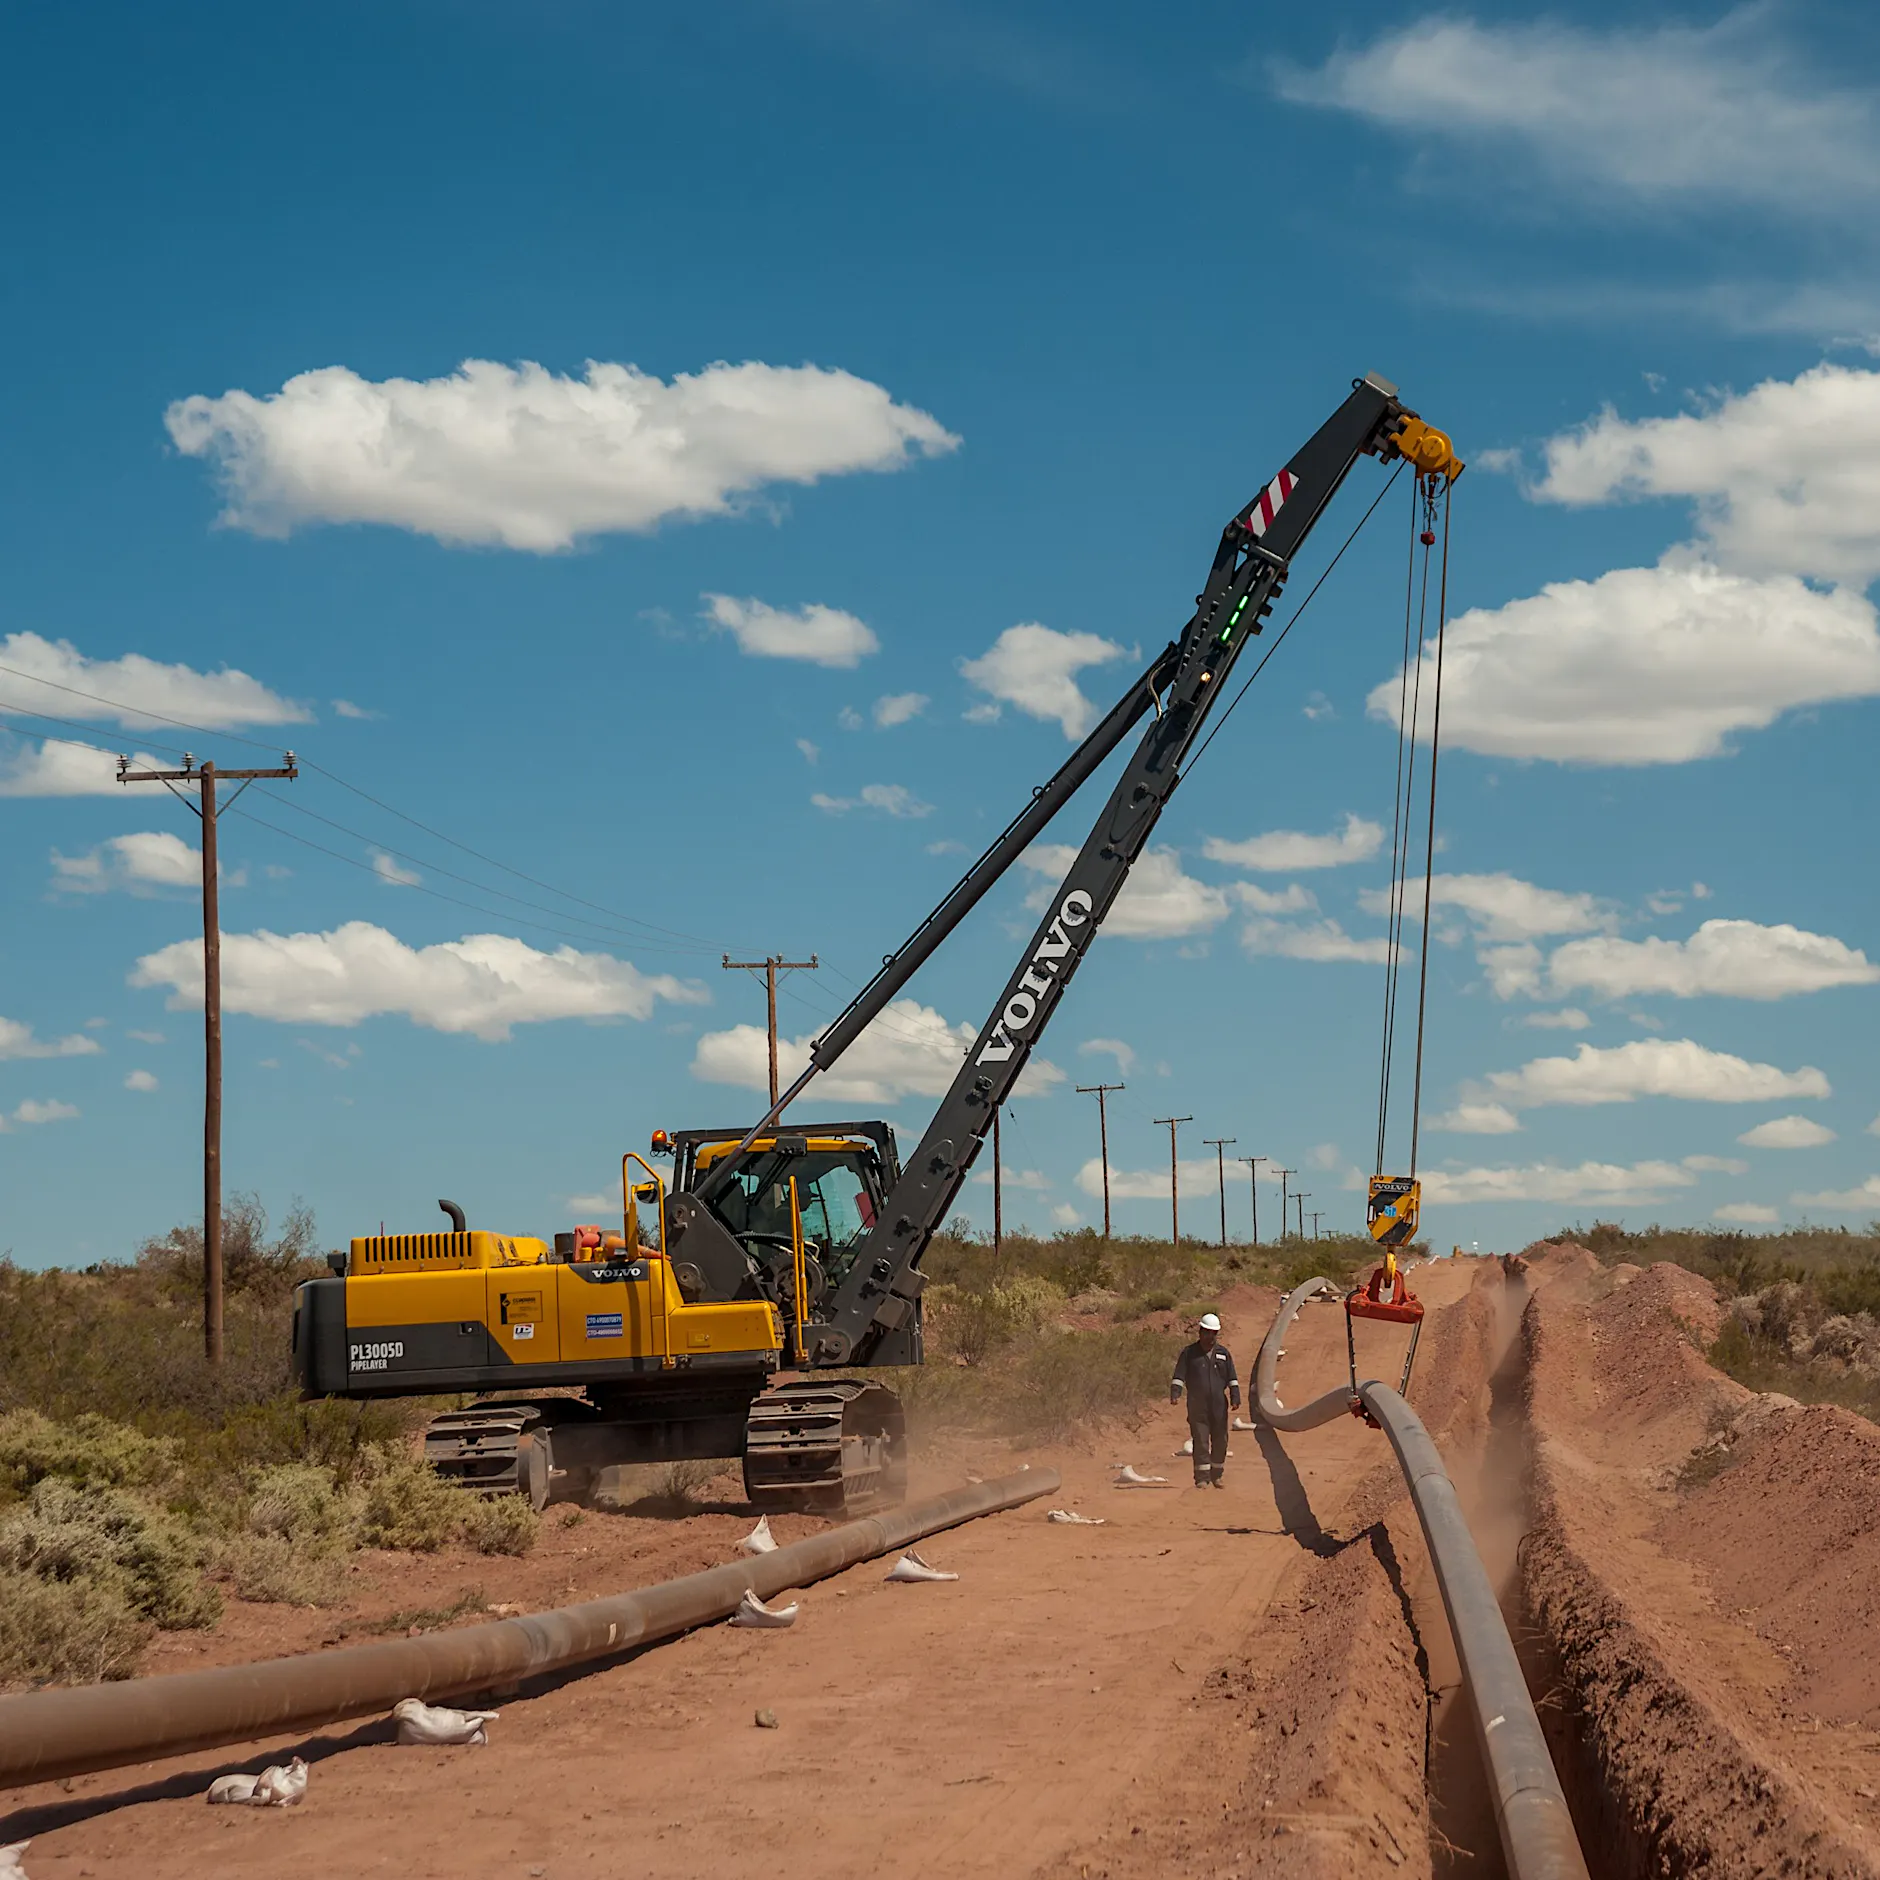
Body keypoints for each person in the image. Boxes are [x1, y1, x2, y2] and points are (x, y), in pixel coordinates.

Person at [1169, 1312, 1240, 1488]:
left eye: (1213, 1333)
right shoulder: (1189, 1353)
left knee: (1220, 1440)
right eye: (1207, 1332)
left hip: (1218, 1405)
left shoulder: (1223, 1354)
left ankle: (1217, 1475)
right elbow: (1179, 1375)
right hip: (1197, 1405)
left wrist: (1235, 1397)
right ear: (1200, 1332)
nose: (1210, 1337)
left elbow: (1232, 1377)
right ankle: (1201, 1477)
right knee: (1200, 1440)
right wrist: (1175, 1393)